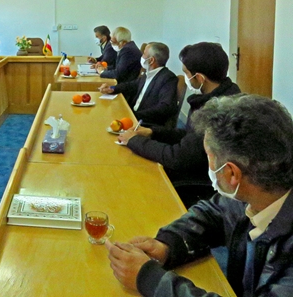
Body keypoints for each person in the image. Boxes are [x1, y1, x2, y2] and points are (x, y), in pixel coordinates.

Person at [107, 94, 293, 297]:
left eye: (208, 157)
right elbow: (214, 213)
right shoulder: (260, 191)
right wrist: (169, 244)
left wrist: (149, 279)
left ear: (232, 173)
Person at [117, 42, 240, 189]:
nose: (185, 78)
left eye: (186, 73)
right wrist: (152, 132)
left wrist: (134, 141)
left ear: (200, 78)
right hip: (193, 164)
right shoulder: (221, 95)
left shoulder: (214, 111)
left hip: (201, 180)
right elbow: (190, 136)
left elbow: (178, 157)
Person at [100, 42, 178, 126]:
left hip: (144, 123)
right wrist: (112, 88)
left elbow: (164, 107)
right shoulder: (148, 73)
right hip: (133, 114)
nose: (142, 57)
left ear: (151, 60)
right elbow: (132, 85)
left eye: (144, 54)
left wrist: (133, 114)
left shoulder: (168, 78)